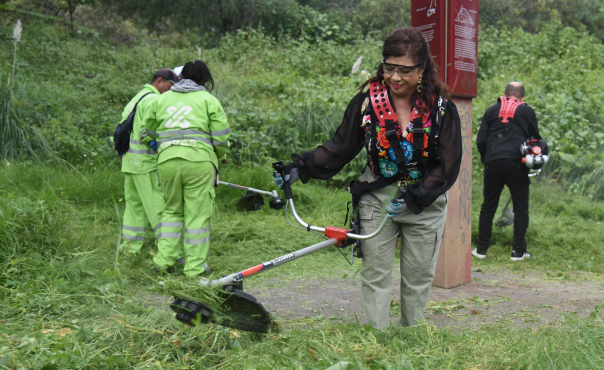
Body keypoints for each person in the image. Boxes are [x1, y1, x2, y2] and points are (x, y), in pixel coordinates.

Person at [275, 27, 462, 329]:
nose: (395, 77)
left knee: (418, 275)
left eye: (405, 70)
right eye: (389, 68)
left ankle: (411, 337)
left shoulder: (440, 109)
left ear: (423, 69)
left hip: (424, 203)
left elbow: (449, 164)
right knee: (375, 273)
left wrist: (416, 195)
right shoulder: (368, 102)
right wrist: (301, 167)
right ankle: (378, 338)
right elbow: (341, 147)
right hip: (377, 198)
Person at [142, 60, 230, 277]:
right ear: (204, 80)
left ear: (180, 77)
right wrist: (220, 156)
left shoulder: (163, 99)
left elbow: (149, 129)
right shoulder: (208, 99)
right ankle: (194, 268)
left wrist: (162, 144)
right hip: (199, 162)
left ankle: (163, 262)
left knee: (172, 211)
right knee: (197, 215)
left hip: (167, 161)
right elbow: (221, 136)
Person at [472, 82, 542, 261]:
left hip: (493, 162)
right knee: (521, 208)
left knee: (488, 206)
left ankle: (481, 250)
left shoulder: (491, 111)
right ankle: (518, 252)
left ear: (504, 94)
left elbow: (481, 141)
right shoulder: (527, 111)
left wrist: (486, 159)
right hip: (516, 164)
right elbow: (535, 140)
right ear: (523, 98)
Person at [115, 68, 179, 253]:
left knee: (134, 207)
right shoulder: (154, 100)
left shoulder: (137, 98)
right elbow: (148, 133)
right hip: (146, 164)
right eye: (170, 86)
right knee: (157, 207)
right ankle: (169, 253)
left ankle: (130, 249)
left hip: (130, 163)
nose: (171, 90)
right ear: (160, 81)